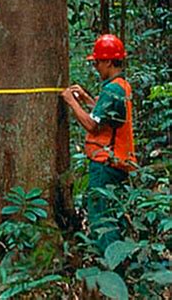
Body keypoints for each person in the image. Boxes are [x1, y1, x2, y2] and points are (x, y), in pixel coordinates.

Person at [61, 34, 137, 252]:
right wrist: (86, 99)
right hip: (117, 164)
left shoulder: (113, 89)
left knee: (102, 221)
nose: (95, 67)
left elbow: (93, 125)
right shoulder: (120, 86)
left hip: (106, 164)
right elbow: (108, 118)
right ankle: (119, 265)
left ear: (109, 62)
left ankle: (111, 270)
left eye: (97, 62)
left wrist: (71, 102)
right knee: (113, 217)